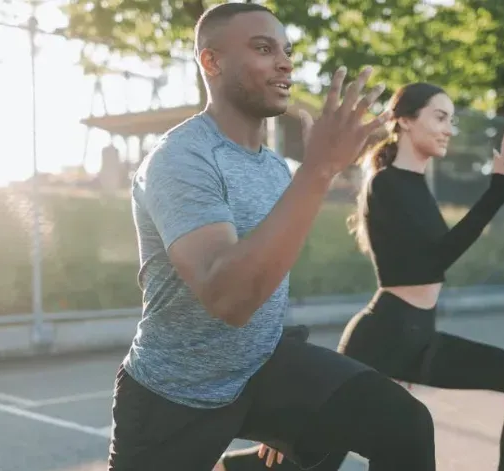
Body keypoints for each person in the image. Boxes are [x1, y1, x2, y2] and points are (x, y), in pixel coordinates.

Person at [107, 3, 439, 470]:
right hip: (176, 392)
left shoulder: (273, 169)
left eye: (287, 50)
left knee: (404, 423)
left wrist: (296, 406)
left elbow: (269, 277)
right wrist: (319, 170)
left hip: (261, 368)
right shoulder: (179, 160)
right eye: (264, 49)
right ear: (211, 61)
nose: (285, 62)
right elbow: (230, 298)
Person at [217, 83, 504, 471]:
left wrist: (500, 190)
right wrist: (499, 190)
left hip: (419, 338)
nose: (449, 129)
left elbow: (433, 260)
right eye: (440, 117)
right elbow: (435, 261)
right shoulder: (387, 184)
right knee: (315, 462)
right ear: (406, 121)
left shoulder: (415, 186)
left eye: (452, 120)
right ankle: (223, 466)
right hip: (383, 338)